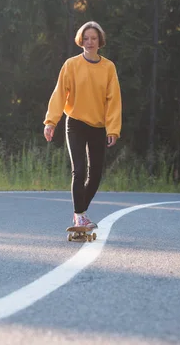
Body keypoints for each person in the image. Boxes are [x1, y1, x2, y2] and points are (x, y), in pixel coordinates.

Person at [43, 21, 122, 229]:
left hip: (98, 126)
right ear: (80, 40)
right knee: (79, 170)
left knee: (95, 174)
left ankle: (81, 211)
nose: (89, 42)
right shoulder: (71, 65)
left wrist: (113, 129)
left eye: (93, 38)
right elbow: (59, 94)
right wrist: (51, 122)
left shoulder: (108, 68)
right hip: (76, 124)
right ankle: (79, 216)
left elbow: (113, 100)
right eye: (85, 38)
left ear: (99, 41)